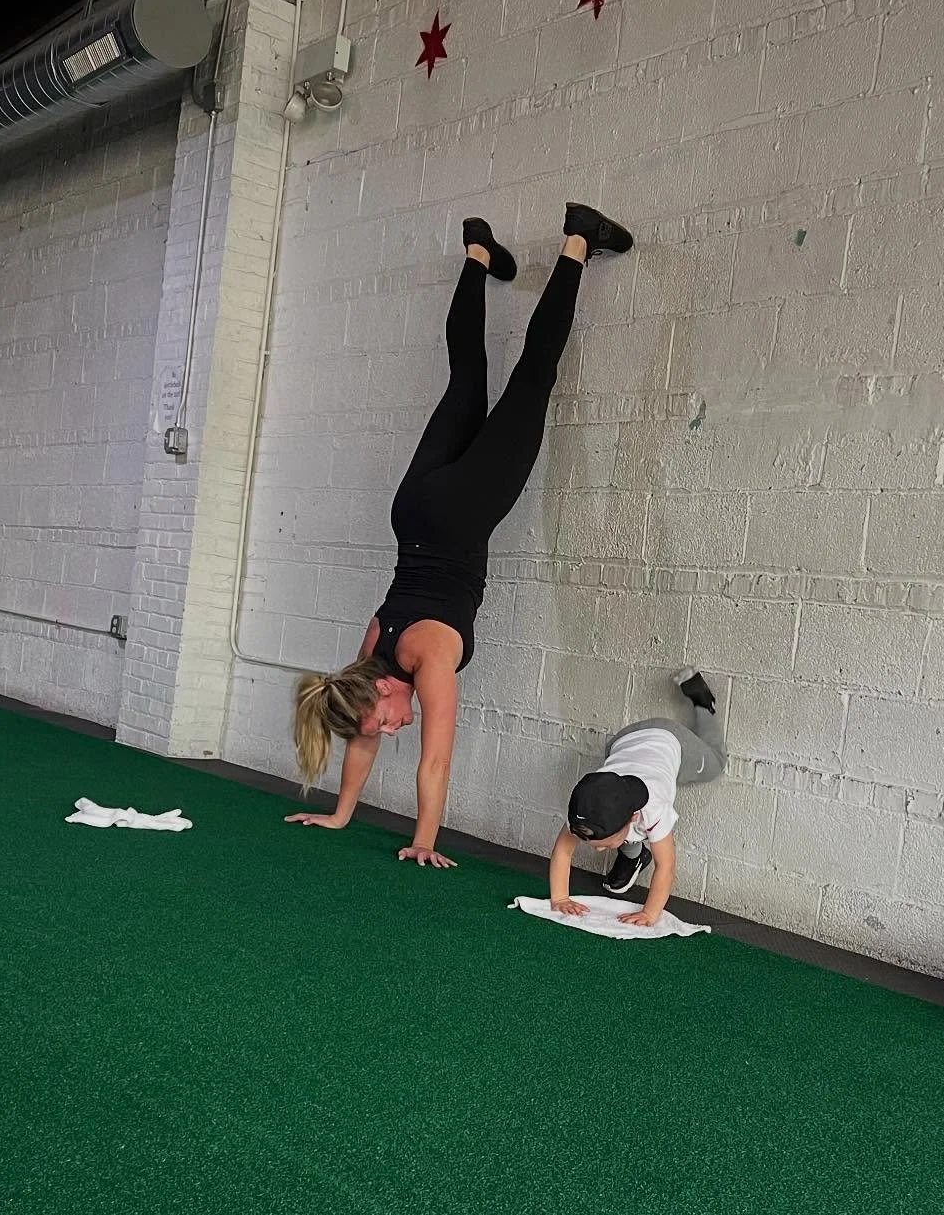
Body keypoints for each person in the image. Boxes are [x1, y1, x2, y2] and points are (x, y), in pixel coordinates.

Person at [286, 204, 635, 867]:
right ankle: (478, 255)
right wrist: (339, 814)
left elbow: (436, 761)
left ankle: (579, 239)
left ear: (382, 692)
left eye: (387, 721)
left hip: (463, 513)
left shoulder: (428, 660)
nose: (393, 730)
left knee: (534, 375)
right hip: (412, 510)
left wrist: (423, 841)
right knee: (467, 377)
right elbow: (361, 737)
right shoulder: (368, 657)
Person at [547, 668, 725, 925]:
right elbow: (563, 851)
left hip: (669, 737)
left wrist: (649, 913)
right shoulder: (585, 805)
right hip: (623, 740)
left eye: (604, 845)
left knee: (716, 763)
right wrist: (560, 898)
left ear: (633, 816)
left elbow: (666, 867)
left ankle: (704, 703)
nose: (598, 850)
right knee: (617, 824)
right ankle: (634, 856)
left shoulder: (654, 807)